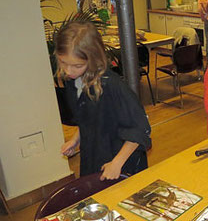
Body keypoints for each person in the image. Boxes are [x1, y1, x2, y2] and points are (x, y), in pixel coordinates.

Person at [56, 22, 151, 179]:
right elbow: (90, 118)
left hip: (122, 160)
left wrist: (117, 163)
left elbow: (139, 130)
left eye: (76, 65)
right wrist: (75, 140)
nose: (68, 70)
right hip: (94, 153)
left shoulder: (113, 86)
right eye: (63, 63)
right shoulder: (74, 81)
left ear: (93, 58)